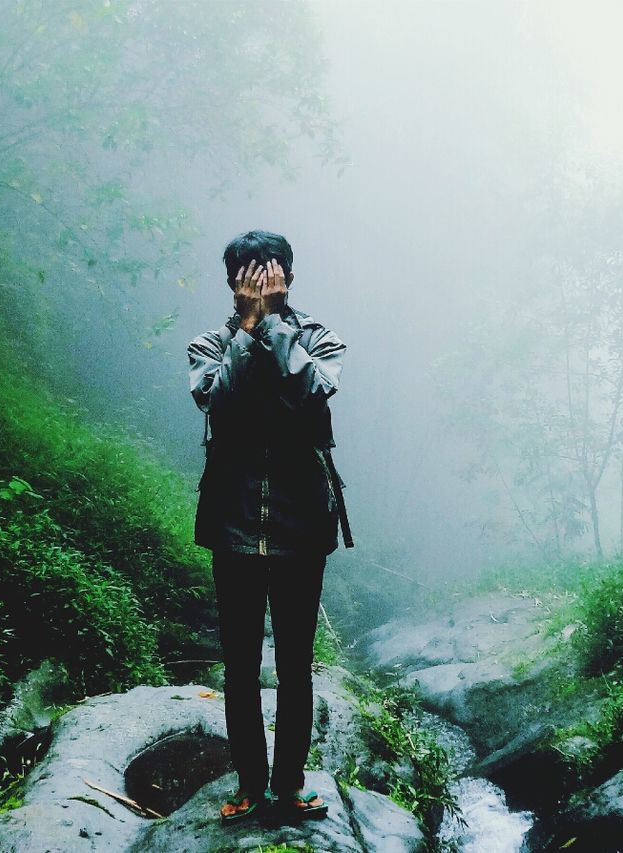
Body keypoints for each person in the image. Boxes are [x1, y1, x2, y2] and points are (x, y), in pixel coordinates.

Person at [187, 229, 352, 825]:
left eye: (271, 270)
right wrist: (249, 333)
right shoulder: (209, 344)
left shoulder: (319, 339)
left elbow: (311, 392)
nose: (260, 282)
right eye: (250, 274)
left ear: (288, 276)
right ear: (232, 282)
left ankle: (288, 787)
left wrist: (276, 325)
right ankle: (251, 785)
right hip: (232, 526)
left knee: (295, 665)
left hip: (301, 527)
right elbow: (222, 404)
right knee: (238, 665)